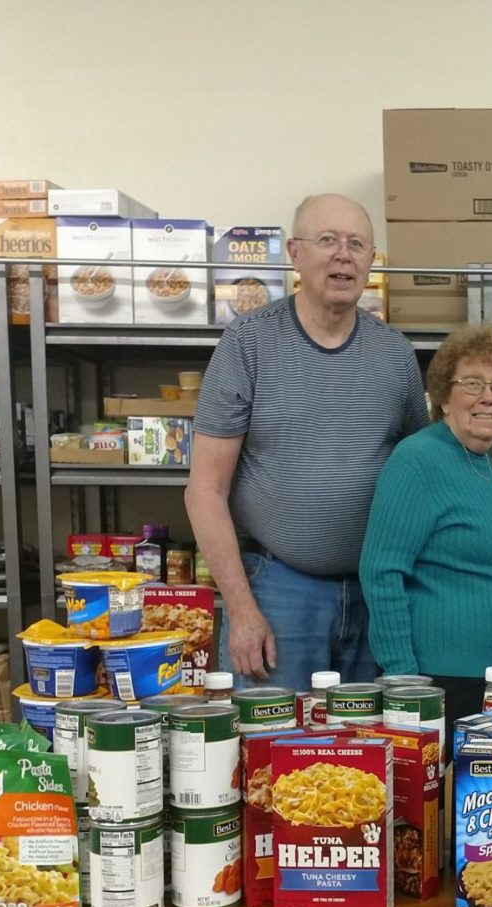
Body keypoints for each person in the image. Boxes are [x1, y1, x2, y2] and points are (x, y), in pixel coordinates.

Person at [186, 193, 428, 689]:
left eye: (357, 244)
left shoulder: (397, 356)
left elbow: (423, 480)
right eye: (328, 241)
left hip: (373, 597)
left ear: (370, 261)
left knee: (368, 752)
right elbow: (204, 490)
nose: (344, 254)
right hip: (278, 593)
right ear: (295, 254)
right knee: (275, 750)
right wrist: (242, 609)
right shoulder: (248, 344)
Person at [360, 324, 492, 733]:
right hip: (448, 687)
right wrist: (403, 683)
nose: (489, 398)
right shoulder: (418, 459)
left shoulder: (482, 463)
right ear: (442, 395)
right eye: (473, 383)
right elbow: (381, 572)